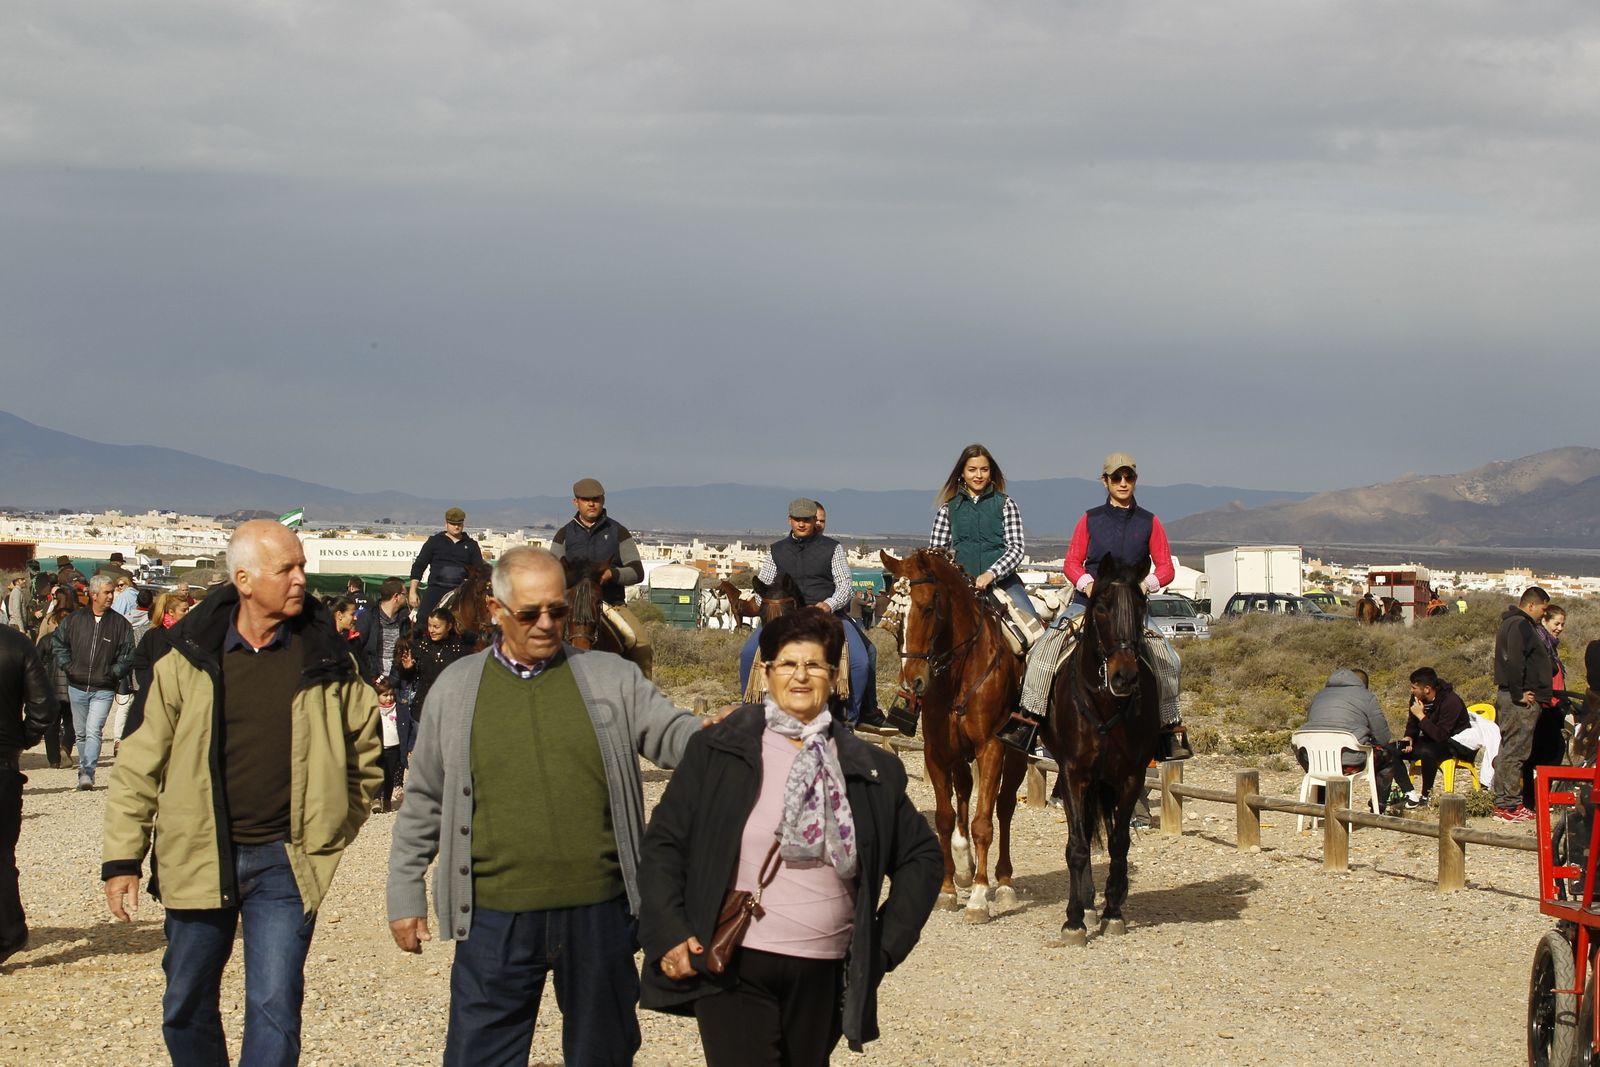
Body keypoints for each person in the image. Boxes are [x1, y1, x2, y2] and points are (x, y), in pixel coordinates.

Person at [386, 545, 705, 1067]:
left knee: (604, 1054)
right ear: (495, 610)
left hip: (601, 914)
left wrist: (725, 735)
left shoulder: (611, 677)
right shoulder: (456, 689)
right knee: (478, 1056)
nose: (547, 624)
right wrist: (404, 891)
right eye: (529, 613)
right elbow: (424, 797)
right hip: (492, 917)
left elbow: (672, 735)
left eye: (557, 610)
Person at [102, 519, 383, 1064]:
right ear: (245, 579)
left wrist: (332, 828)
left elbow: (365, 756)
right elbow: (139, 765)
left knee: (276, 1006)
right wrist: (123, 858)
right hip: (198, 854)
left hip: (285, 861)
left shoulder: (326, 657)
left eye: (302, 565)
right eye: (288, 568)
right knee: (185, 1002)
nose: (302, 578)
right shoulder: (186, 659)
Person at [638, 609, 941, 1064]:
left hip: (826, 967)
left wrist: (881, 947)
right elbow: (664, 843)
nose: (801, 675)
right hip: (735, 959)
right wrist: (669, 931)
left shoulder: (867, 766)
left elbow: (922, 856)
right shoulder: (720, 748)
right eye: (787, 664)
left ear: (835, 676)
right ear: (766, 672)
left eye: (815, 665)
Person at [1011, 452, 1190, 759]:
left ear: (1135, 480)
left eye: (1128, 477)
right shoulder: (1090, 519)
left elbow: (1166, 567)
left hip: (1130, 608)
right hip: (1088, 604)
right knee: (1044, 650)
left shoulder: (1150, 522)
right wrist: (1088, 585)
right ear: (1105, 481)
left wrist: (1145, 585)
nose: (1123, 483)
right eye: (1116, 478)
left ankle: (1169, 729)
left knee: (1168, 659)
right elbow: (1072, 562)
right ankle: (1029, 720)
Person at [737, 499, 883, 727]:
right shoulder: (777, 550)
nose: (802, 524)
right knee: (748, 654)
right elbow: (763, 586)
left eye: (807, 519)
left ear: (815, 521)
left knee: (859, 662)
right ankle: (750, 714)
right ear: (790, 520)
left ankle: (850, 720)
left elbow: (845, 584)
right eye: (798, 519)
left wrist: (829, 604)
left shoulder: (832, 548)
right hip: (784, 617)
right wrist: (769, 607)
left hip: (827, 616)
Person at [549, 477, 653, 678]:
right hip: (570, 604)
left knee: (641, 646)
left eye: (595, 499)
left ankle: (644, 696)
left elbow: (637, 571)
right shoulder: (563, 534)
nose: (591, 503)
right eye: (585, 499)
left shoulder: (618, 532)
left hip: (611, 603)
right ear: (575, 502)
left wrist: (613, 574)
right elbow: (550, 572)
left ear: (603, 500)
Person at [928, 443, 1039, 621]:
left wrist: (991, 574)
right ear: (962, 473)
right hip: (961, 585)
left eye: (984, 470)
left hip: (1003, 583)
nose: (978, 475)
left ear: (990, 473)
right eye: (972, 470)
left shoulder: (1006, 504)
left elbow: (1016, 549)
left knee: (1034, 627)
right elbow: (935, 554)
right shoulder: (948, 509)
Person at [0, 621, 55, 965]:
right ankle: (8, 932)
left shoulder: (17, 646)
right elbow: (43, 708)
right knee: (2, 854)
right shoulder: (16, 644)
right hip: (2, 764)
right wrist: (20, 741)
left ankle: (10, 931)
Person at [52, 573, 135, 789]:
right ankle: (84, 768)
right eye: (107, 592)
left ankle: (87, 771)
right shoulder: (74, 620)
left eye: (112, 592)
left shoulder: (121, 624)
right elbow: (59, 644)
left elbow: (127, 654)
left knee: (93, 730)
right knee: (80, 732)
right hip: (76, 686)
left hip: (103, 687)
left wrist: (113, 672)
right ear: (93, 594)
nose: (111, 596)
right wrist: (68, 667)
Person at [1297, 667, 1416, 812]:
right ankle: (1378, 808)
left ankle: (1323, 803)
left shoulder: (1318, 696)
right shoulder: (1366, 696)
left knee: (1322, 754)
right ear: (1363, 685)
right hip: (1350, 762)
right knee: (1389, 757)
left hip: (1314, 761)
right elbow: (1383, 738)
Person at [1490, 586, 1553, 822]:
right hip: (1518, 700)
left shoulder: (1515, 623)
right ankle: (1510, 805)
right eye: (1543, 610)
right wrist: (1518, 694)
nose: (1543, 615)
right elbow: (1515, 661)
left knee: (1509, 750)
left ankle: (1504, 803)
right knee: (1515, 752)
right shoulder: (1520, 625)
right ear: (1531, 605)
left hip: (1515, 695)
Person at [1396, 667, 1476, 806]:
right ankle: (1409, 793)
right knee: (1391, 750)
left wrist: (1421, 715)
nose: (1411, 691)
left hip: (1455, 743)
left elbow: (1441, 735)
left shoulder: (1451, 701)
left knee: (1428, 752)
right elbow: (1412, 724)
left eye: (1414, 687)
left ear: (1427, 689)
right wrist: (1409, 738)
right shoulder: (1416, 698)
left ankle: (1426, 795)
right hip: (1430, 739)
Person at [408, 507, 486, 624]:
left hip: (461, 592)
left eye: (459, 523)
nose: (456, 527)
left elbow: (479, 572)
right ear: (446, 524)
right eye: (453, 523)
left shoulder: (471, 545)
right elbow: (419, 565)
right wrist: (413, 591)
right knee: (423, 619)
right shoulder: (434, 542)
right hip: (436, 589)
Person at [408, 607, 472, 723]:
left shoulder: (460, 650)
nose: (431, 630)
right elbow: (409, 678)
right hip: (423, 708)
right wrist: (408, 669)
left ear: (449, 626)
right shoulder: (421, 645)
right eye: (429, 626)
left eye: (436, 627)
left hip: (450, 710)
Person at [35, 589, 76, 768]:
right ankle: (66, 747)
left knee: (51, 724)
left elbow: (37, 664)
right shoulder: (78, 641)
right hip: (73, 686)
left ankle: (53, 759)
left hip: (51, 687)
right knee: (72, 720)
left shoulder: (47, 640)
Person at [357, 577, 412, 683]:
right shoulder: (368, 617)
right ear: (396, 596)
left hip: (398, 679)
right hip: (374, 680)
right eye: (405, 594)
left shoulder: (404, 618)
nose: (406, 598)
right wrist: (370, 675)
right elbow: (359, 648)